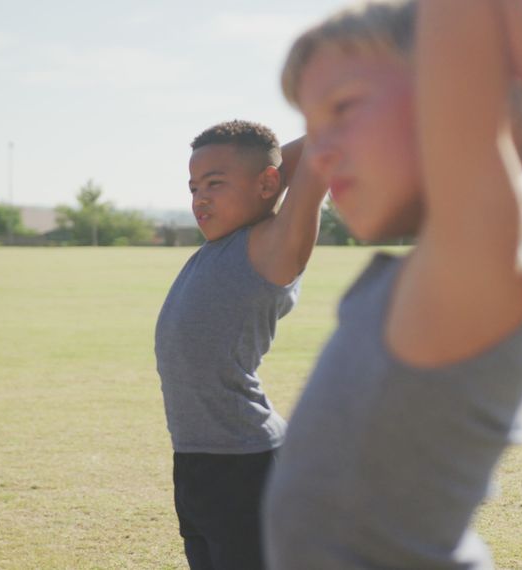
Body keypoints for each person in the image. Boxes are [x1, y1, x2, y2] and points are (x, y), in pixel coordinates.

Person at [263, 1, 522, 568]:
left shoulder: (469, 266)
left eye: (344, 107)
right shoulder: (442, 269)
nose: (320, 152)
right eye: (312, 130)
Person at [155, 119, 326, 570]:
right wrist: (255, 164)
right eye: (193, 187)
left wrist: (345, 111)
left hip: (247, 467)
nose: (200, 199)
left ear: (269, 184)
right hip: (197, 462)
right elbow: (267, 166)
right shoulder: (226, 243)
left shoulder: (272, 247)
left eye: (215, 184)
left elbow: (318, 156)